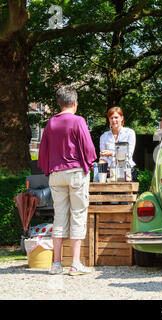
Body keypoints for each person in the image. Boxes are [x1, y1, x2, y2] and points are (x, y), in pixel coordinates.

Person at [38, 86, 96, 276]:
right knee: (78, 215)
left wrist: (48, 169)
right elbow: (88, 149)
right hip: (76, 173)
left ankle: (56, 264)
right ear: (75, 103)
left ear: (59, 103)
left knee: (59, 216)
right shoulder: (78, 121)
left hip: (56, 174)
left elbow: (43, 151)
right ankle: (75, 264)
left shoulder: (51, 122)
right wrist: (90, 164)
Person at [99, 106, 137, 180]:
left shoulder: (129, 133)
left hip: (127, 173)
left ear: (121, 118)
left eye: (116, 117)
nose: (114, 120)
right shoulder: (104, 136)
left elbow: (128, 154)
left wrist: (111, 153)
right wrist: (99, 172)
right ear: (109, 120)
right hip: (110, 173)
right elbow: (103, 158)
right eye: (111, 118)